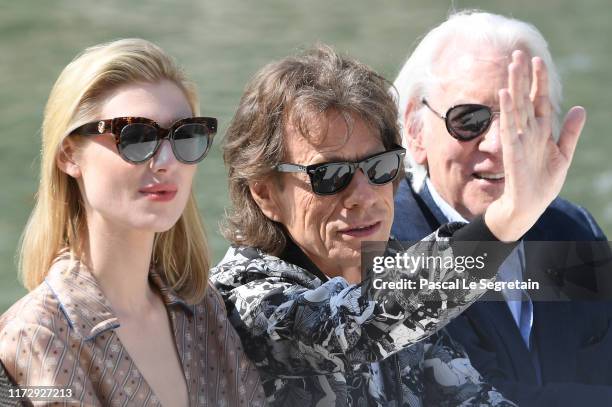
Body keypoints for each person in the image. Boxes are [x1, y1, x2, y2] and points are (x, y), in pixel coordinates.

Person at [210, 42, 582, 406]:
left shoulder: (392, 281)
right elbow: (356, 329)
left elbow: (472, 397)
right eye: (330, 174)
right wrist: (507, 219)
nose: (363, 195)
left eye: (379, 168)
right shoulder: (248, 298)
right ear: (265, 194)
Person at [0, 39, 265, 406]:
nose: (166, 161)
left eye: (185, 135)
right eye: (136, 137)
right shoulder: (38, 334)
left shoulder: (205, 312)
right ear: (68, 155)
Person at [391, 10, 612, 407]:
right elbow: (481, 398)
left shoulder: (570, 229)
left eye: (520, 119)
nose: (498, 144)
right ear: (415, 129)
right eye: (469, 119)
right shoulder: (389, 241)